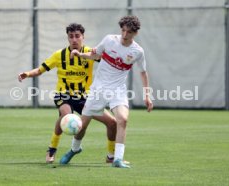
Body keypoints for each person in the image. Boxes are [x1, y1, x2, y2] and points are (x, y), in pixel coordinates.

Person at [60, 16, 153, 168]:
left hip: (118, 90)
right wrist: (80, 54)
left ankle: (117, 159)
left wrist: (147, 96)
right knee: (81, 125)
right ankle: (74, 149)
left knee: (122, 119)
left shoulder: (138, 52)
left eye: (128, 32)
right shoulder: (109, 40)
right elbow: (95, 54)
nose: (124, 35)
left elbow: (143, 72)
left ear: (135, 33)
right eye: (122, 30)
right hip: (98, 89)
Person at [18, 23, 118, 164]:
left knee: (112, 123)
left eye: (77, 36)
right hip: (63, 95)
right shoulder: (59, 55)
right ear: (68, 38)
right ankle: (52, 149)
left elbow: (108, 60)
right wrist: (27, 74)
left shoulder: (90, 52)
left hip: (85, 97)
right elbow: (40, 70)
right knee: (67, 116)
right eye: (71, 36)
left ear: (83, 37)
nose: (74, 39)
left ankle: (111, 156)